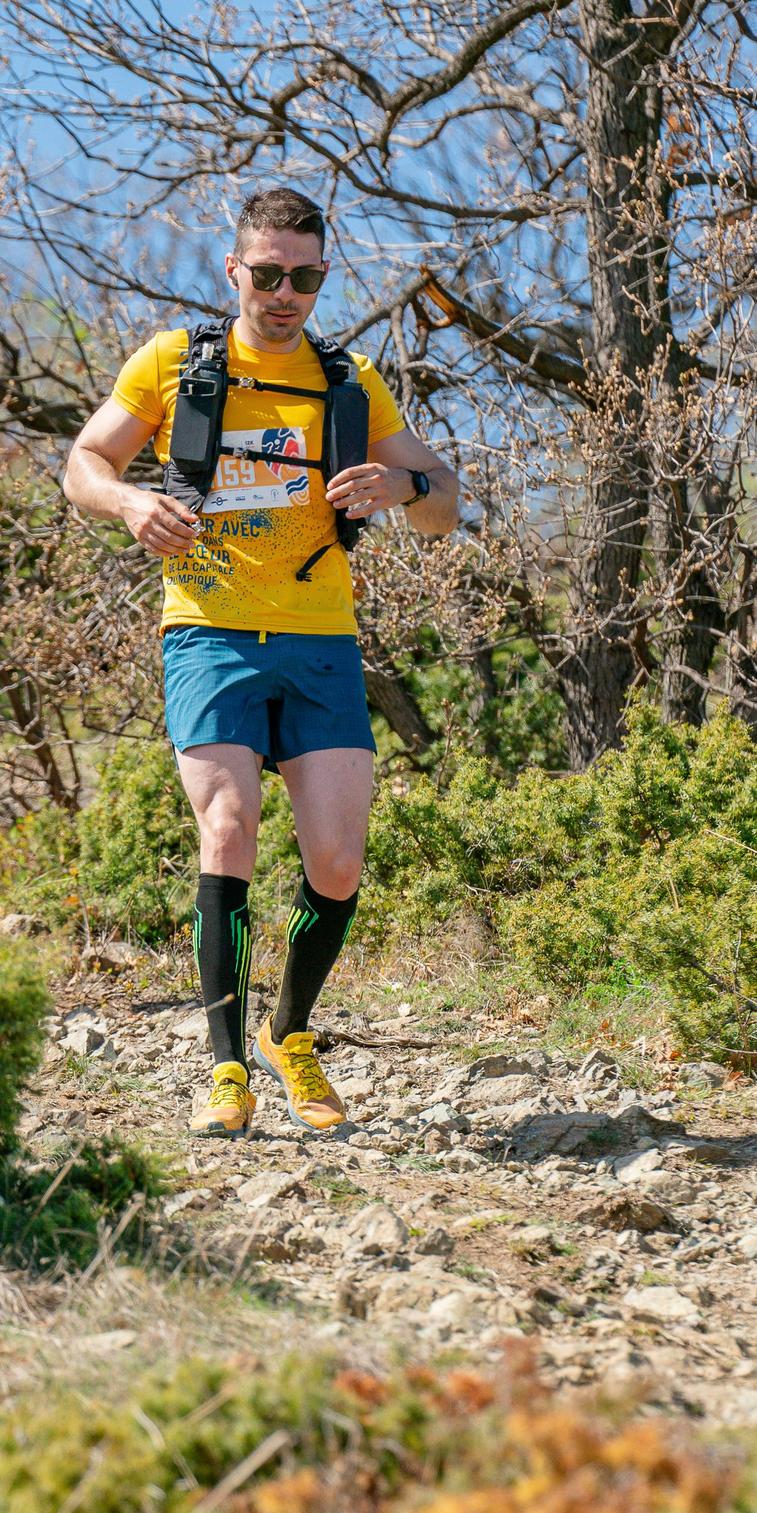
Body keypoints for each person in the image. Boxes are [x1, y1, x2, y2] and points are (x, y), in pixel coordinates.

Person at [61, 187, 460, 1139]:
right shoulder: (175, 363)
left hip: (322, 637)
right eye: (268, 273)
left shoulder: (349, 379)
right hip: (208, 628)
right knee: (229, 826)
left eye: (305, 277)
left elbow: (448, 501)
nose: (285, 293)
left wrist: (401, 485)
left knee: (337, 858)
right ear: (234, 270)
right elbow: (83, 462)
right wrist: (128, 506)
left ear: (322, 278)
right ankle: (226, 1064)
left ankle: (292, 1035)